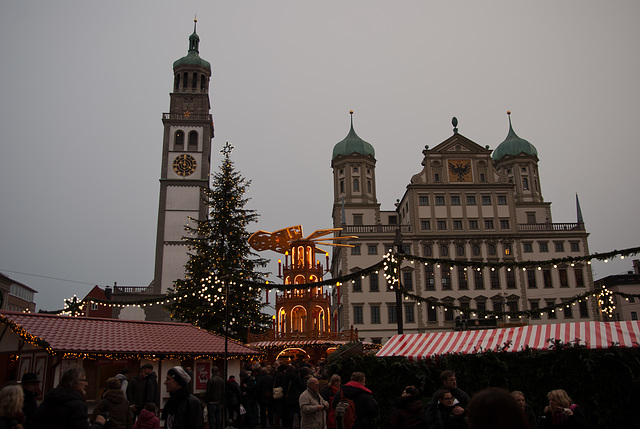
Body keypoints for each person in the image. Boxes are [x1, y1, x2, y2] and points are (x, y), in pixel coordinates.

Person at [32, 367, 107, 429]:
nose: (86, 384)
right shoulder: (76, 405)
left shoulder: (50, 399)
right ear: (74, 383)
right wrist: (98, 424)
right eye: (84, 380)